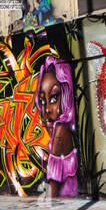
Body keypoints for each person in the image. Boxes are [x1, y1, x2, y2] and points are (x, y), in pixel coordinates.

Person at [36, 58, 78, 198]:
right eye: (42, 101)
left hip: (65, 203)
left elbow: (52, 189)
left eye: (54, 98)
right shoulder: (64, 129)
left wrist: (46, 207)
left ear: (66, 94)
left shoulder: (61, 131)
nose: (47, 109)